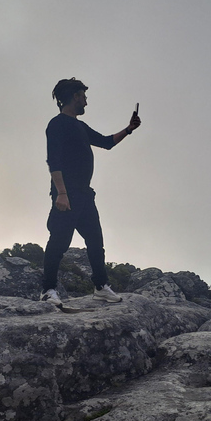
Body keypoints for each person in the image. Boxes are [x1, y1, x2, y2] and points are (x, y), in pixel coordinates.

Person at [41, 78, 141, 306]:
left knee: (95, 241)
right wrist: (62, 193)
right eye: (83, 96)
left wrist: (129, 129)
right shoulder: (57, 124)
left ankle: (100, 287)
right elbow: (53, 160)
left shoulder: (80, 126)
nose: (86, 100)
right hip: (68, 194)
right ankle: (48, 290)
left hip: (85, 195)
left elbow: (106, 142)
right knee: (59, 242)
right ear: (75, 97)